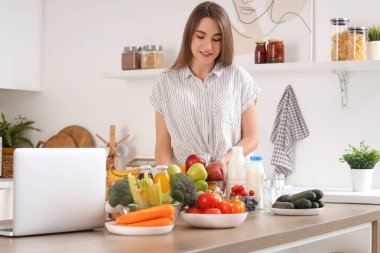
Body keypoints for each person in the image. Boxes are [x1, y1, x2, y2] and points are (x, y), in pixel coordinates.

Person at [150, 1, 260, 179]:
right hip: (187, 186)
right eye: (201, 36)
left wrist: (224, 160)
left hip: (231, 183)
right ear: (189, 37)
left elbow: (252, 138)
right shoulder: (165, 83)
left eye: (216, 39)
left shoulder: (238, 77)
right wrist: (169, 186)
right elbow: (162, 147)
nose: (208, 46)